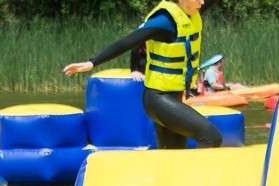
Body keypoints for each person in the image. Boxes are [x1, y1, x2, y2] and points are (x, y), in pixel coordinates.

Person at [62, 0, 222, 149]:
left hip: (174, 99)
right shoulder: (164, 21)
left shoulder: (192, 11)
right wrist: (93, 62)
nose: (202, 2)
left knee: (174, 154)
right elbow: (128, 41)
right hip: (158, 100)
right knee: (211, 136)